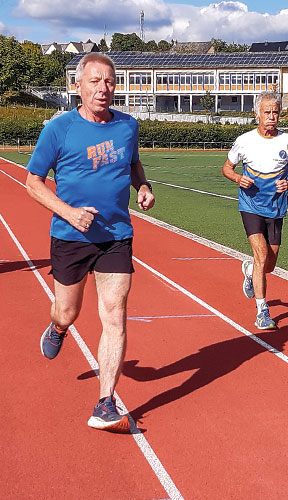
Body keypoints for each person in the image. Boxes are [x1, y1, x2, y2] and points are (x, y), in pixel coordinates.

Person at [26, 52, 155, 431]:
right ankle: (58, 328)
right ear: (77, 86)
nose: (103, 88)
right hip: (70, 236)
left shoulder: (128, 127)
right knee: (67, 311)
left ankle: (105, 402)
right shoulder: (58, 130)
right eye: (95, 81)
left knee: (114, 314)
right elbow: (33, 183)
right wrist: (68, 212)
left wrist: (143, 186)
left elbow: (133, 164)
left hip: (116, 236)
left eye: (109, 81)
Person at [222, 91, 288, 329]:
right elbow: (227, 168)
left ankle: (249, 271)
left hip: (276, 207)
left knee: (269, 264)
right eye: (267, 112)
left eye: (275, 112)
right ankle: (262, 312)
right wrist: (238, 178)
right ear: (256, 113)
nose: (271, 117)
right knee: (261, 254)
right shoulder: (245, 141)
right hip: (250, 205)